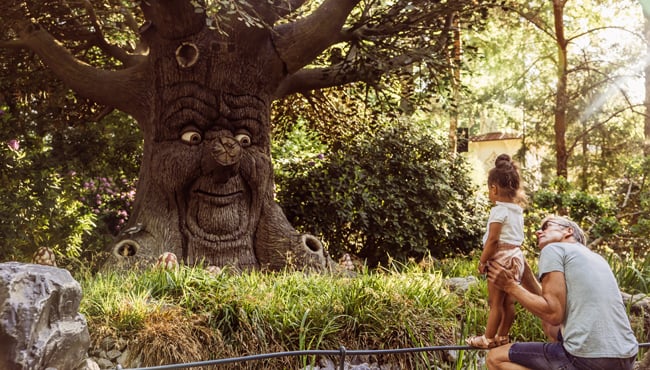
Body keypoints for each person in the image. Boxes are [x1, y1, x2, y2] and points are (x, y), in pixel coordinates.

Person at [486, 215, 638, 370]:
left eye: (546, 227)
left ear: (568, 231)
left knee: (495, 358)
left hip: (587, 358)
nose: (538, 232)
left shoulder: (554, 249)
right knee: (552, 328)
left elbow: (553, 313)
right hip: (626, 356)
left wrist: (510, 286)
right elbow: (553, 308)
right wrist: (525, 273)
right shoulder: (595, 258)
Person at [466, 154, 527, 349]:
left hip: (500, 257)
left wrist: (483, 261)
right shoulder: (517, 211)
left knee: (495, 303)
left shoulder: (498, 211)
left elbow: (492, 240)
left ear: (494, 188)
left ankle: (488, 338)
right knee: (508, 302)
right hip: (515, 256)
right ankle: (503, 336)